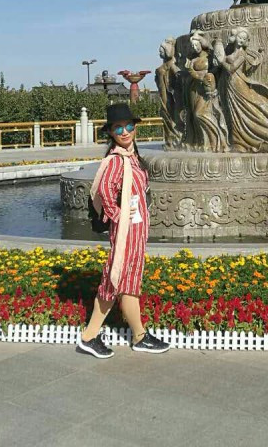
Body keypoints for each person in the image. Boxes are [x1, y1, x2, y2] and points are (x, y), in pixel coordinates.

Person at [76, 103, 170, 358]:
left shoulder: (132, 157)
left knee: (129, 283)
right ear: (111, 132)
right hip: (126, 233)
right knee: (114, 279)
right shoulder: (116, 160)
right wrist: (117, 214)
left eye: (128, 126)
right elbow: (103, 189)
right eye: (118, 128)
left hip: (136, 232)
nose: (125, 132)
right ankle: (89, 337)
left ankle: (139, 336)